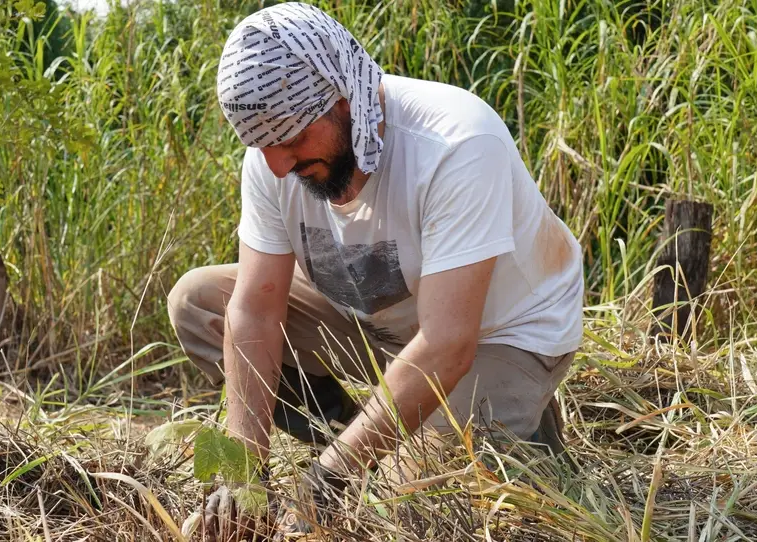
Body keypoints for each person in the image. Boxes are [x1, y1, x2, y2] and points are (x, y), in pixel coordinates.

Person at [166, 2, 584, 539]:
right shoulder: (274, 160)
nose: (278, 165)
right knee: (200, 303)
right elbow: (252, 312)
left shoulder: (454, 143)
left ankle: (513, 431)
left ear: (345, 99)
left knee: (403, 506)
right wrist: (240, 476)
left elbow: (448, 345)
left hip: (492, 336)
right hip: (380, 324)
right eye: (262, 145)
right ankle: (361, 437)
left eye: (291, 139)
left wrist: (330, 477)